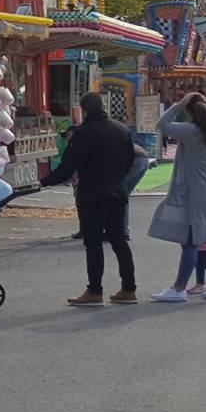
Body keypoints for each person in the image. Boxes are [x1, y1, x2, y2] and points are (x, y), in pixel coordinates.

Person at [44, 93, 143, 308]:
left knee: (93, 242)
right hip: (116, 189)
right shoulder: (121, 130)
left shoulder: (84, 133)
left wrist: (45, 181)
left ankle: (95, 290)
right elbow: (129, 159)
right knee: (118, 240)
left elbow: (68, 165)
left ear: (84, 109)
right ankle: (129, 287)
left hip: (92, 191)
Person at [145, 93, 206, 305]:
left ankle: (179, 288)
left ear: (190, 114)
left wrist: (180, 103)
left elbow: (162, 123)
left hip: (197, 193)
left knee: (190, 241)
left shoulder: (190, 132)